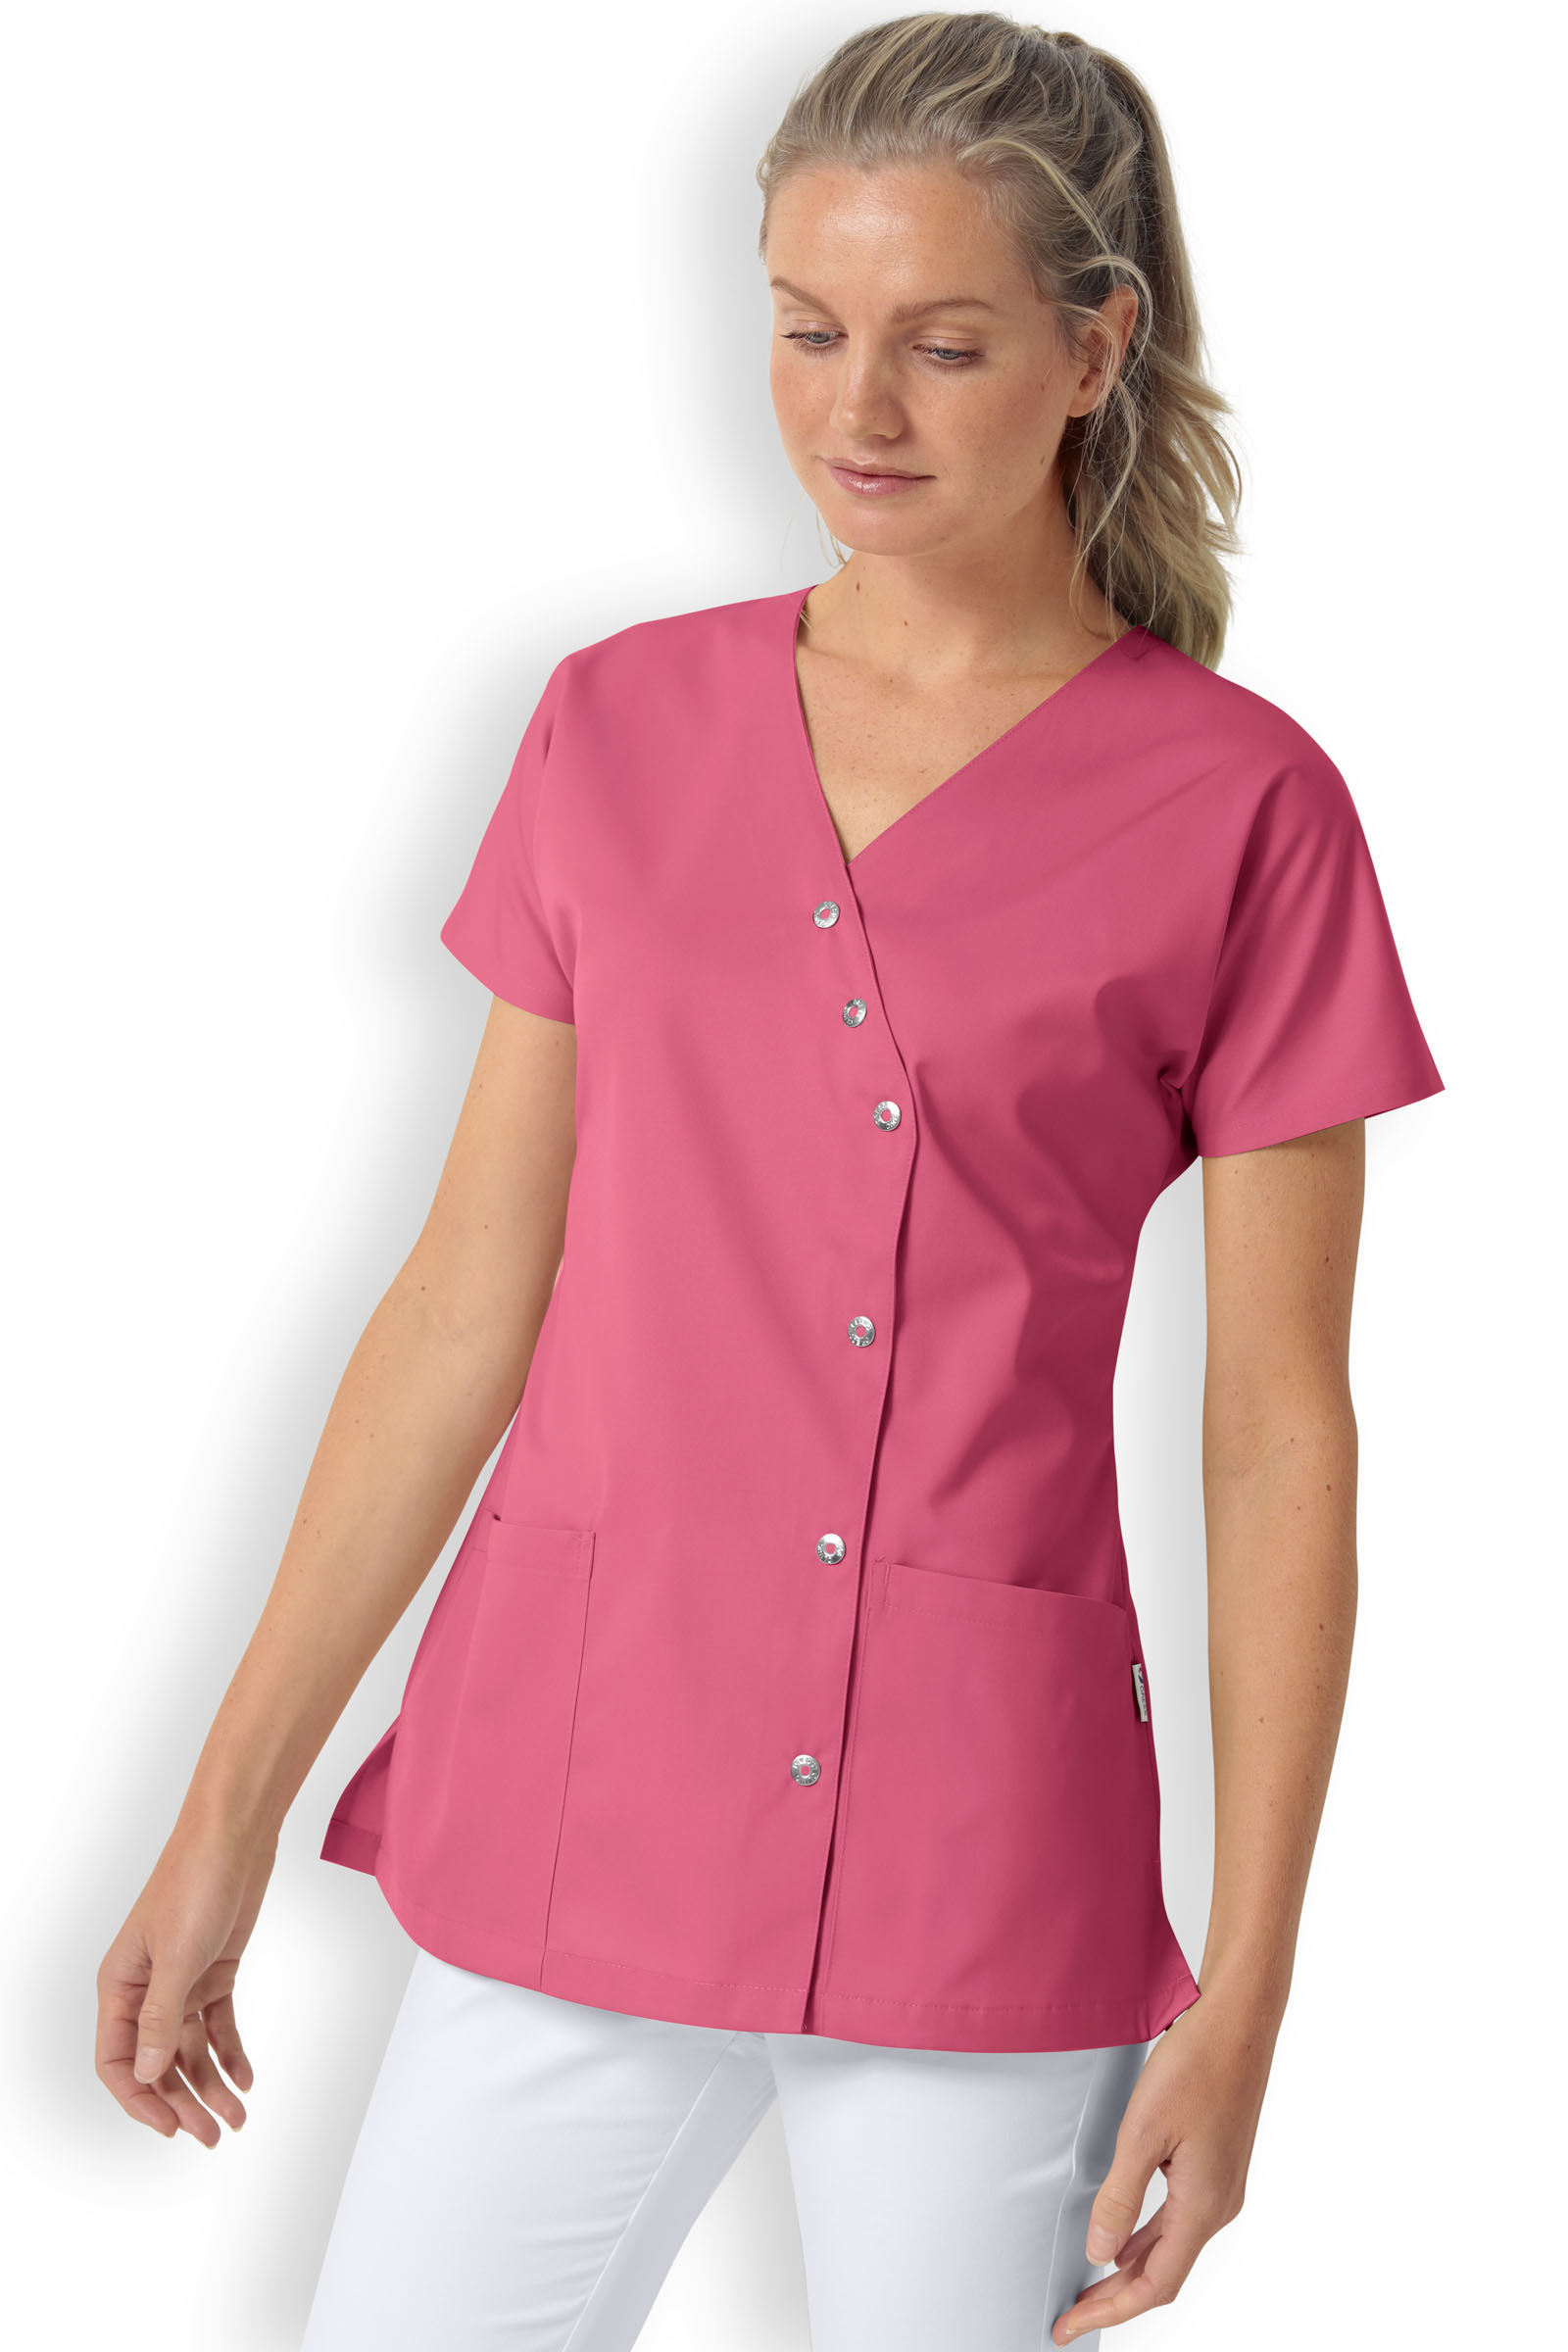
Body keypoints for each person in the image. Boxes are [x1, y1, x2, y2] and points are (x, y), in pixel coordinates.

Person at [93, 15, 1445, 2349]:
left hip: (977, 1851)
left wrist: (1242, 1996)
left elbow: (1271, 1432)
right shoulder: (611, 726)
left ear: (1093, 348)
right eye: (807, 332)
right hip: (575, 1785)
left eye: (943, 343)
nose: (856, 411)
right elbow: (461, 1305)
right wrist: (226, 1806)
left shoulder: (1244, 811)